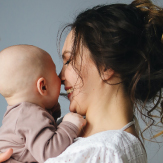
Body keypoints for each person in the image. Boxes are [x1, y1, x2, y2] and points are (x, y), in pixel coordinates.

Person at [1, 0, 163, 162]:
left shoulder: (104, 151)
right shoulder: (83, 142)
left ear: (105, 66)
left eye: (69, 61)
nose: (60, 76)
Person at [0, 45, 86, 163]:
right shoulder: (28, 114)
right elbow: (49, 152)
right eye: (55, 72)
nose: (60, 78)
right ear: (43, 86)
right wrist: (70, 126)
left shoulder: (19, 114)